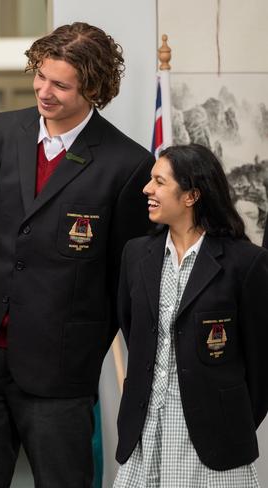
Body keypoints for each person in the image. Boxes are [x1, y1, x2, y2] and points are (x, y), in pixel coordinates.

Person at [0, 22, 154, 487]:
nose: (44, 90)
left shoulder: (128, 164)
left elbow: (123, 279)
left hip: (60, 372)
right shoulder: (2, 131)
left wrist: (80, 351)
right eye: (40, 76)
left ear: (94, 88)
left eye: (60, 84)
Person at [115, 144, 268, 487]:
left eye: (159, 182)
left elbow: (261, 366)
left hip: (215, 445)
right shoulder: (135, 255)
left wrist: (227, 416)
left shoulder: (246, 263)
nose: (147, 189)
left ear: (191, 196)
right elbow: (135, 332)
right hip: (143, 434)